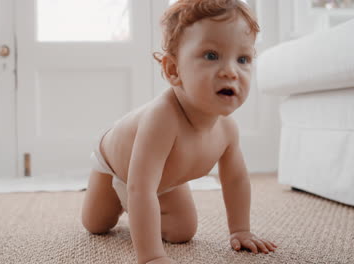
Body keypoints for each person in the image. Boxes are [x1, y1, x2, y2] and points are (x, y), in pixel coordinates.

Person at [81, 0, 277, 263]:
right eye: (211, 55)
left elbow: (236, 180)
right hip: (116, 166)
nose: (231, 71)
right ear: (174, 70)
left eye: (243, 59)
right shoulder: (162, 119)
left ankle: (139, 211)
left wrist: (240, 229)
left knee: (183, 231)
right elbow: (140, 187)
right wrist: (151, 256)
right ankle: (119, 199)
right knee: (97, 224)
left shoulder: (227, 129)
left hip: (163, 177)